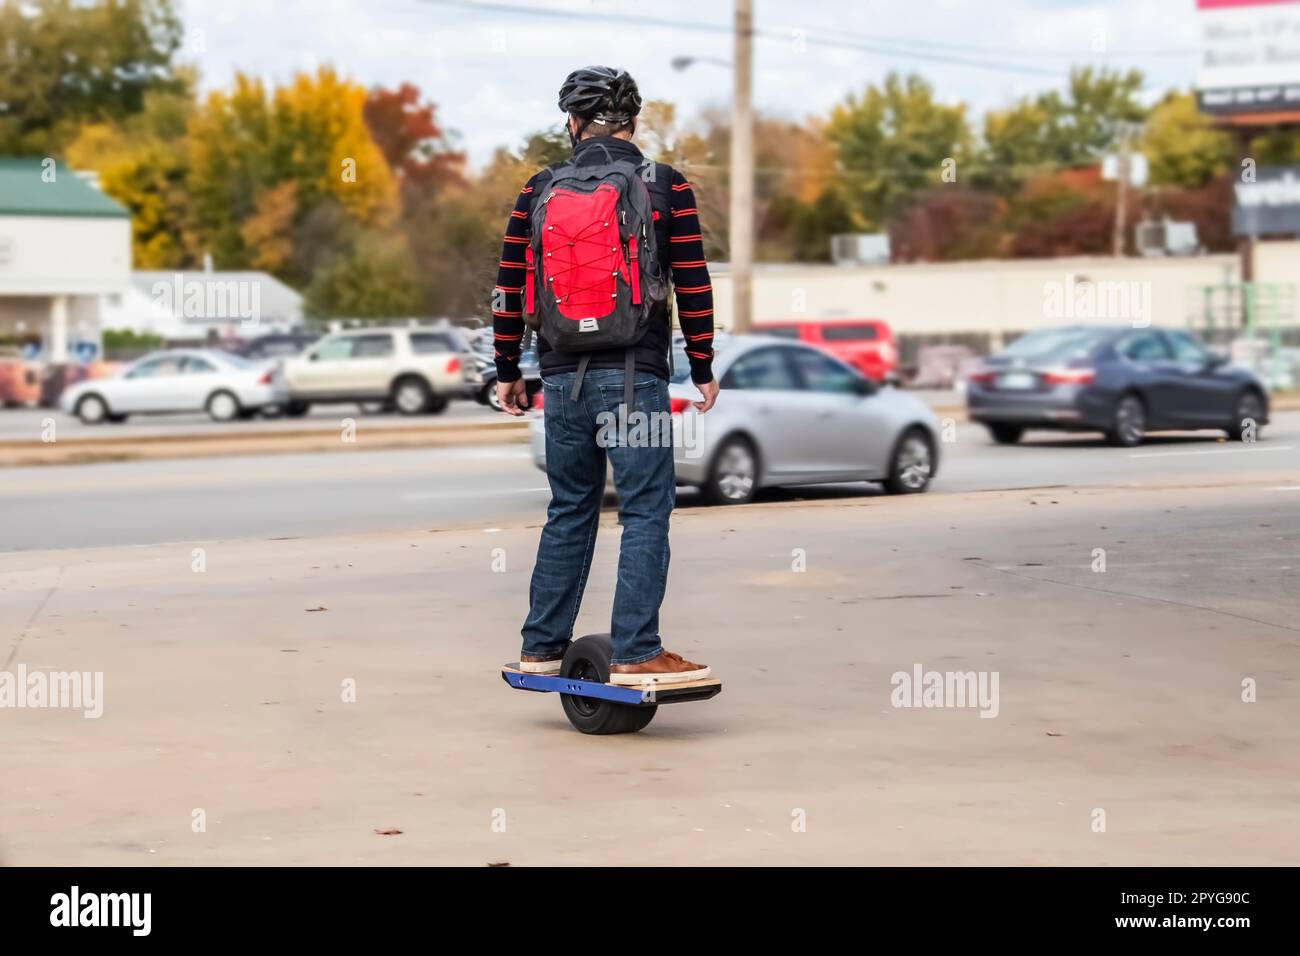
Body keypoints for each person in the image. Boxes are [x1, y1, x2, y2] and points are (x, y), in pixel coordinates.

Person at [492, 66, 719, 685]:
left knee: (570, 508)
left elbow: (510, 288)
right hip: (634, 381)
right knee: (645, 510)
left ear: (572, 123)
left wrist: (509, 368)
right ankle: (636, 649)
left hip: (560, 382)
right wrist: (702, 365)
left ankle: (541, 646)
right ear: (633, 124)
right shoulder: (665, 186)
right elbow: (692, 281)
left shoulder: (537, 189)